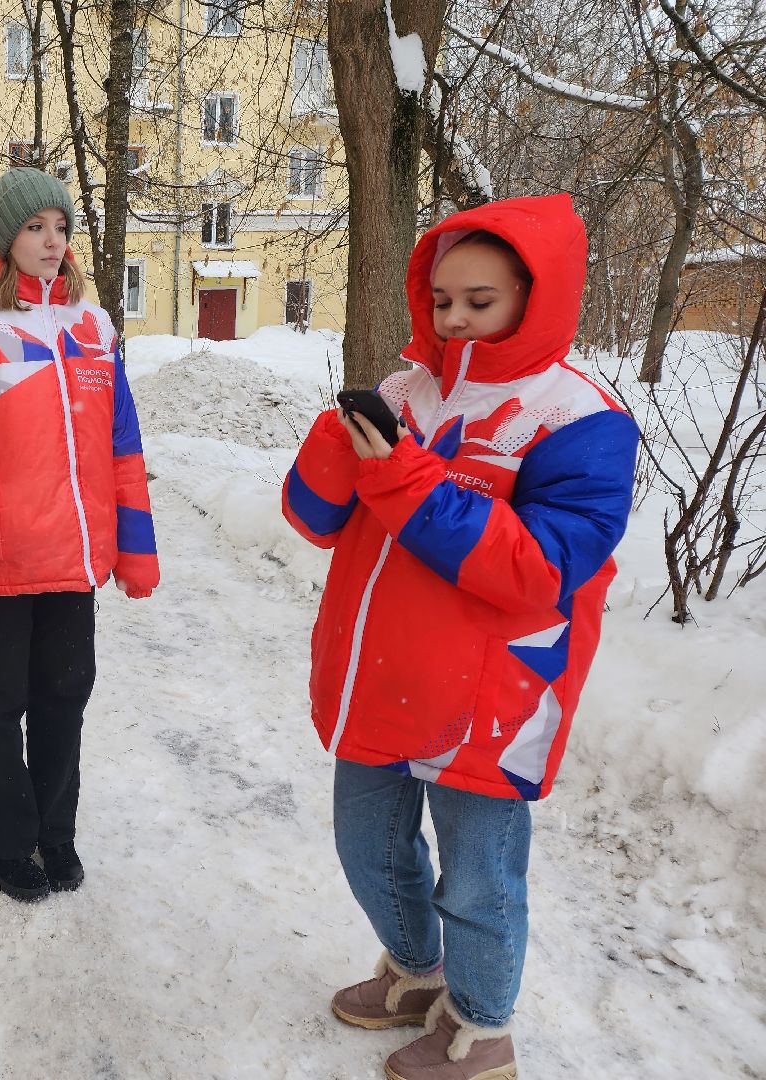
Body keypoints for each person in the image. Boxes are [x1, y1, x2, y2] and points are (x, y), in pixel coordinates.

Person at [282, 195, 637, 1079]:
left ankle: (482, 1029)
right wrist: (337, 441)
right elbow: (314, 520)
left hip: (493, 698)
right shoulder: (408, 390)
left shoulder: (578, 416)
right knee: (368, 848)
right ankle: (416, 973)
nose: (454, 319)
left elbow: (538, 568)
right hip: (378, 676)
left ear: (535, 296)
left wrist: (403, 477)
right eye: (442, 300)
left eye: (480, 300)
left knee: (478, 878)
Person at [0, 168, 160, 902]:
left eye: (60, 227)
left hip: (74, 561)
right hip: (2, 566)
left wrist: (135, 547)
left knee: (64, 703)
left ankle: (55, 834)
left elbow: (124, 448)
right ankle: (5, 843)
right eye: (34, 227)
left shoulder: (93, 328)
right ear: (5, 237)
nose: (52, 241)